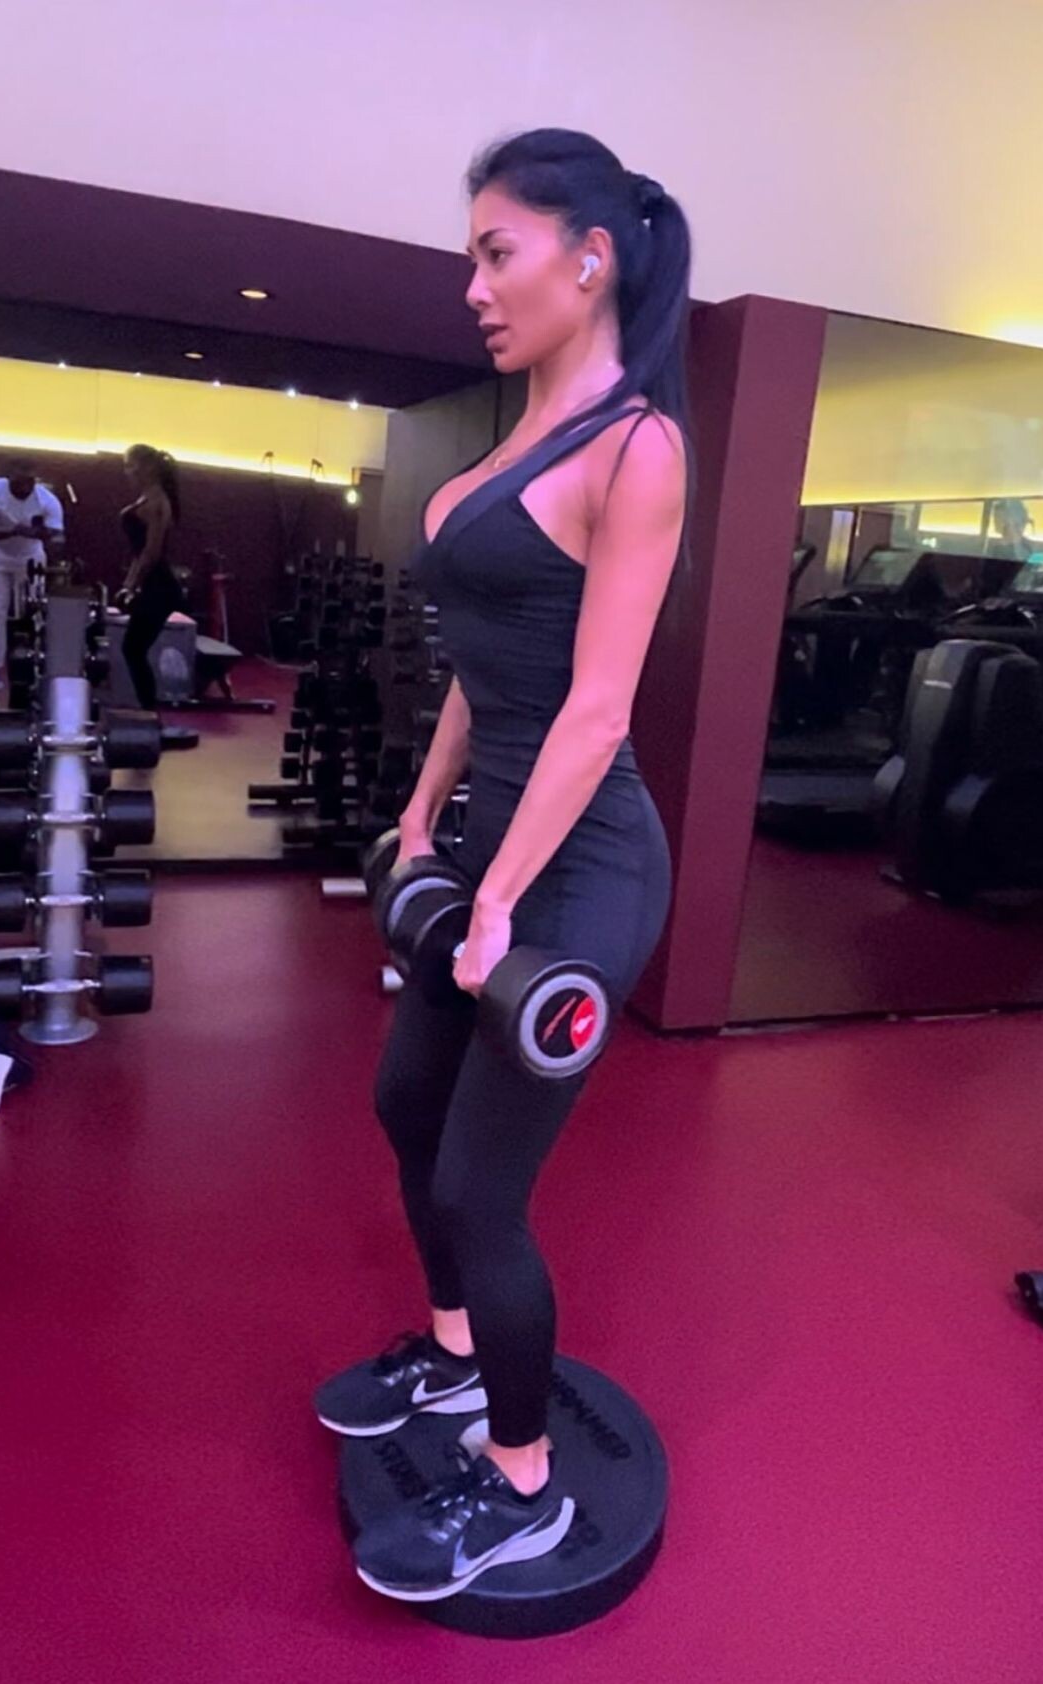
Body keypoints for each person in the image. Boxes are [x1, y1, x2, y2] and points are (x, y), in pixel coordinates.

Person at [314, 129, 690, 1601]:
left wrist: (498, 899)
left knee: (481, 1188)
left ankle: (523, 1482)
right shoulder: (506, 453)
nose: (472, 286)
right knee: (404, 1101)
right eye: (468, 257)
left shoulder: (637, 449)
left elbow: (597, 712)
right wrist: (423, 819)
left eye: (495, 253)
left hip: (583, 868)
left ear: (588, 259)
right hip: (492, 849)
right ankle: (457, 1353)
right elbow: (485, 671)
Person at [0, 456, 64, 693]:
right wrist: (18, 529)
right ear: (8, 477)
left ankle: (37, 669)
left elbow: (58, 538)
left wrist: (50, 536)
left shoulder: (48, 500)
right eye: (20, 480)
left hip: (31, 559)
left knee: (36, 613)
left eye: (30, 481)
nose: (26, 486)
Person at [118, 444, 185, 714]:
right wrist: (128, 585)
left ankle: (149, 714)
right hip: (151, 583)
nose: (127, 472)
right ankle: (148, 712)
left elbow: (151, 552)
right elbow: (139, 554)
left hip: (159, 587)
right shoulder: (146, 499)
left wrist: (133, 585)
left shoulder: (157, 502)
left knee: (133, 649)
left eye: (130, 465)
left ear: (147, 468)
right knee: (133, 649)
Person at [988, 497, 1034, 563]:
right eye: (995, 516)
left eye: (997, 516)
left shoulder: (1025, 550)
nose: (994, 521)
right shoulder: (995, 547)